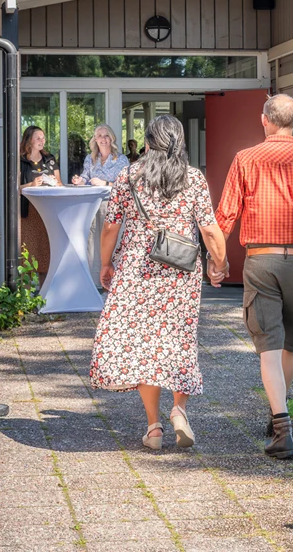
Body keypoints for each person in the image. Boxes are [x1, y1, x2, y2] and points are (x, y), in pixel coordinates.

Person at [213, 94, 293, 460]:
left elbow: (224, 218)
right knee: (290, 343)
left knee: (268, 344)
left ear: (264, 120)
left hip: (260, 261)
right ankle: (278, 415)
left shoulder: (245, 159)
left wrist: (217, 262)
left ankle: (281, 424)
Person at [89, 115, 228, 450]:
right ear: (178, 142)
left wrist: (105, 264)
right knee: (178, 341)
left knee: (145, 347)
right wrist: (219, 265)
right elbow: (209, 229)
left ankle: (153, 427)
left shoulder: (129, 176)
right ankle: (178, 410)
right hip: (179, 270)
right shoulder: (193, 178)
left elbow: (110, 227)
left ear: (148, 143)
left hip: (137, 268)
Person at [71, 124, 131, 287]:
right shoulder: (90, 159)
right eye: (99, 136)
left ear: (111, 138)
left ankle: (117, 282)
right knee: (93, 243)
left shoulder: (121, 160)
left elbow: (126, 185)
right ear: (95, 140)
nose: (103, 139)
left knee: (113, 242)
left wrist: (105, 183)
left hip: (113, 206)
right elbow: (85, 177)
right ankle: (95, 283)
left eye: (106, 136)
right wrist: (79, 181)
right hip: (91, 206)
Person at [19, 126, 58, 279]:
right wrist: (32, 185)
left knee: (45, 255)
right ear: (29, 140)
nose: (42, 141)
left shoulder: (50, 160)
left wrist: (54, 182)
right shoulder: (21, 161)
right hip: (28, 214)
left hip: (47, 214)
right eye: (38, 138)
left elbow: (60, 184)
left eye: (43, 138)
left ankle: (44, 296)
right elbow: (14, 189)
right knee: (27, 255)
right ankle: (27, 298)